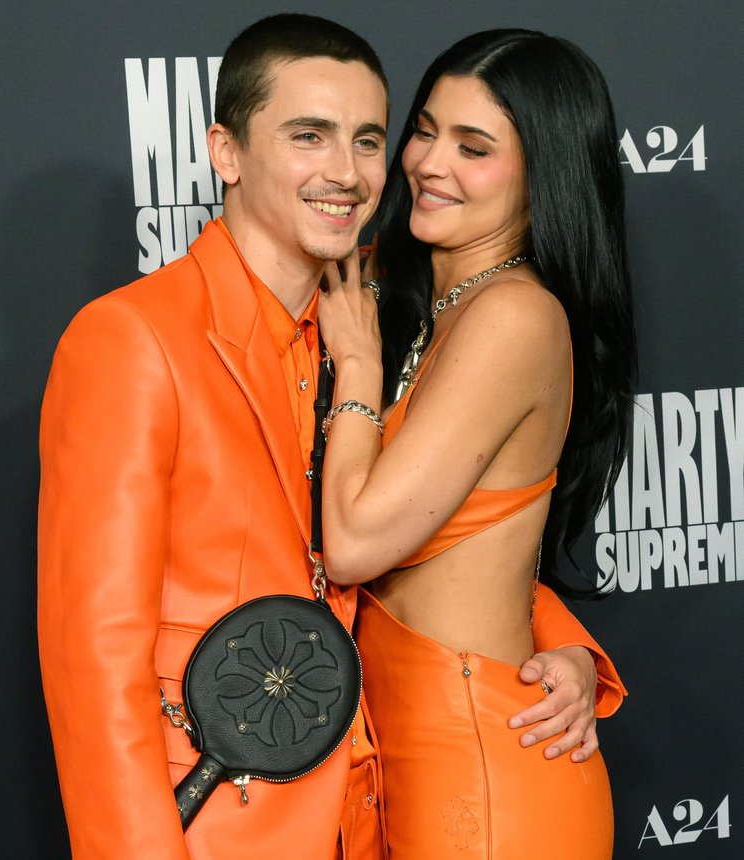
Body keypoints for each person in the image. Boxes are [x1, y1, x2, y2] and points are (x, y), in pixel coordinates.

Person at [38, 15, 625, 860]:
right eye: (309, 137)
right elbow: (93, 667)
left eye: (368, 140)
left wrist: (557, 642)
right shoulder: (134, 340)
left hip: (373, 806)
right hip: (218, 820)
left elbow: (455, 529)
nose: (349, 174)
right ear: (227, 152)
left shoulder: (367, 324)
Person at [318, 28, 635, 860]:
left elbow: (352, 542)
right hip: (396, 747)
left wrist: (356, 365)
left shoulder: (514, 316)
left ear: (545, 173)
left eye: (475, 147)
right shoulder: (412, 291)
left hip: (480, 770)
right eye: (424, 129)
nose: (428, 163)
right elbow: (482, 542)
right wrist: (566, 644)